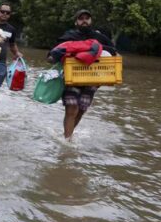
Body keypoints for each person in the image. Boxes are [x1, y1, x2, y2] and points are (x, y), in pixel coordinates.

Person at [48, 9, 116, 140]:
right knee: (71, 107)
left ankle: (68, 134)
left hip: (93, 80)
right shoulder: (68, 36)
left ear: (91, 21)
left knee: (81, 109)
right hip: (71, 78)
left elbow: (114, 55)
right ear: (76, 22)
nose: (84, 20)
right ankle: (67, 141)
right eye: (81, 18)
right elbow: (53, 54)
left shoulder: (100, 38)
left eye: (87, 18)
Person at [0, 2, 23, 117]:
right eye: (3, 11)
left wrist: (17, 53)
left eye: (8, 13)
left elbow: (12, 45)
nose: (5, 14)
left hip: (0, 63)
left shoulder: (11, 29)